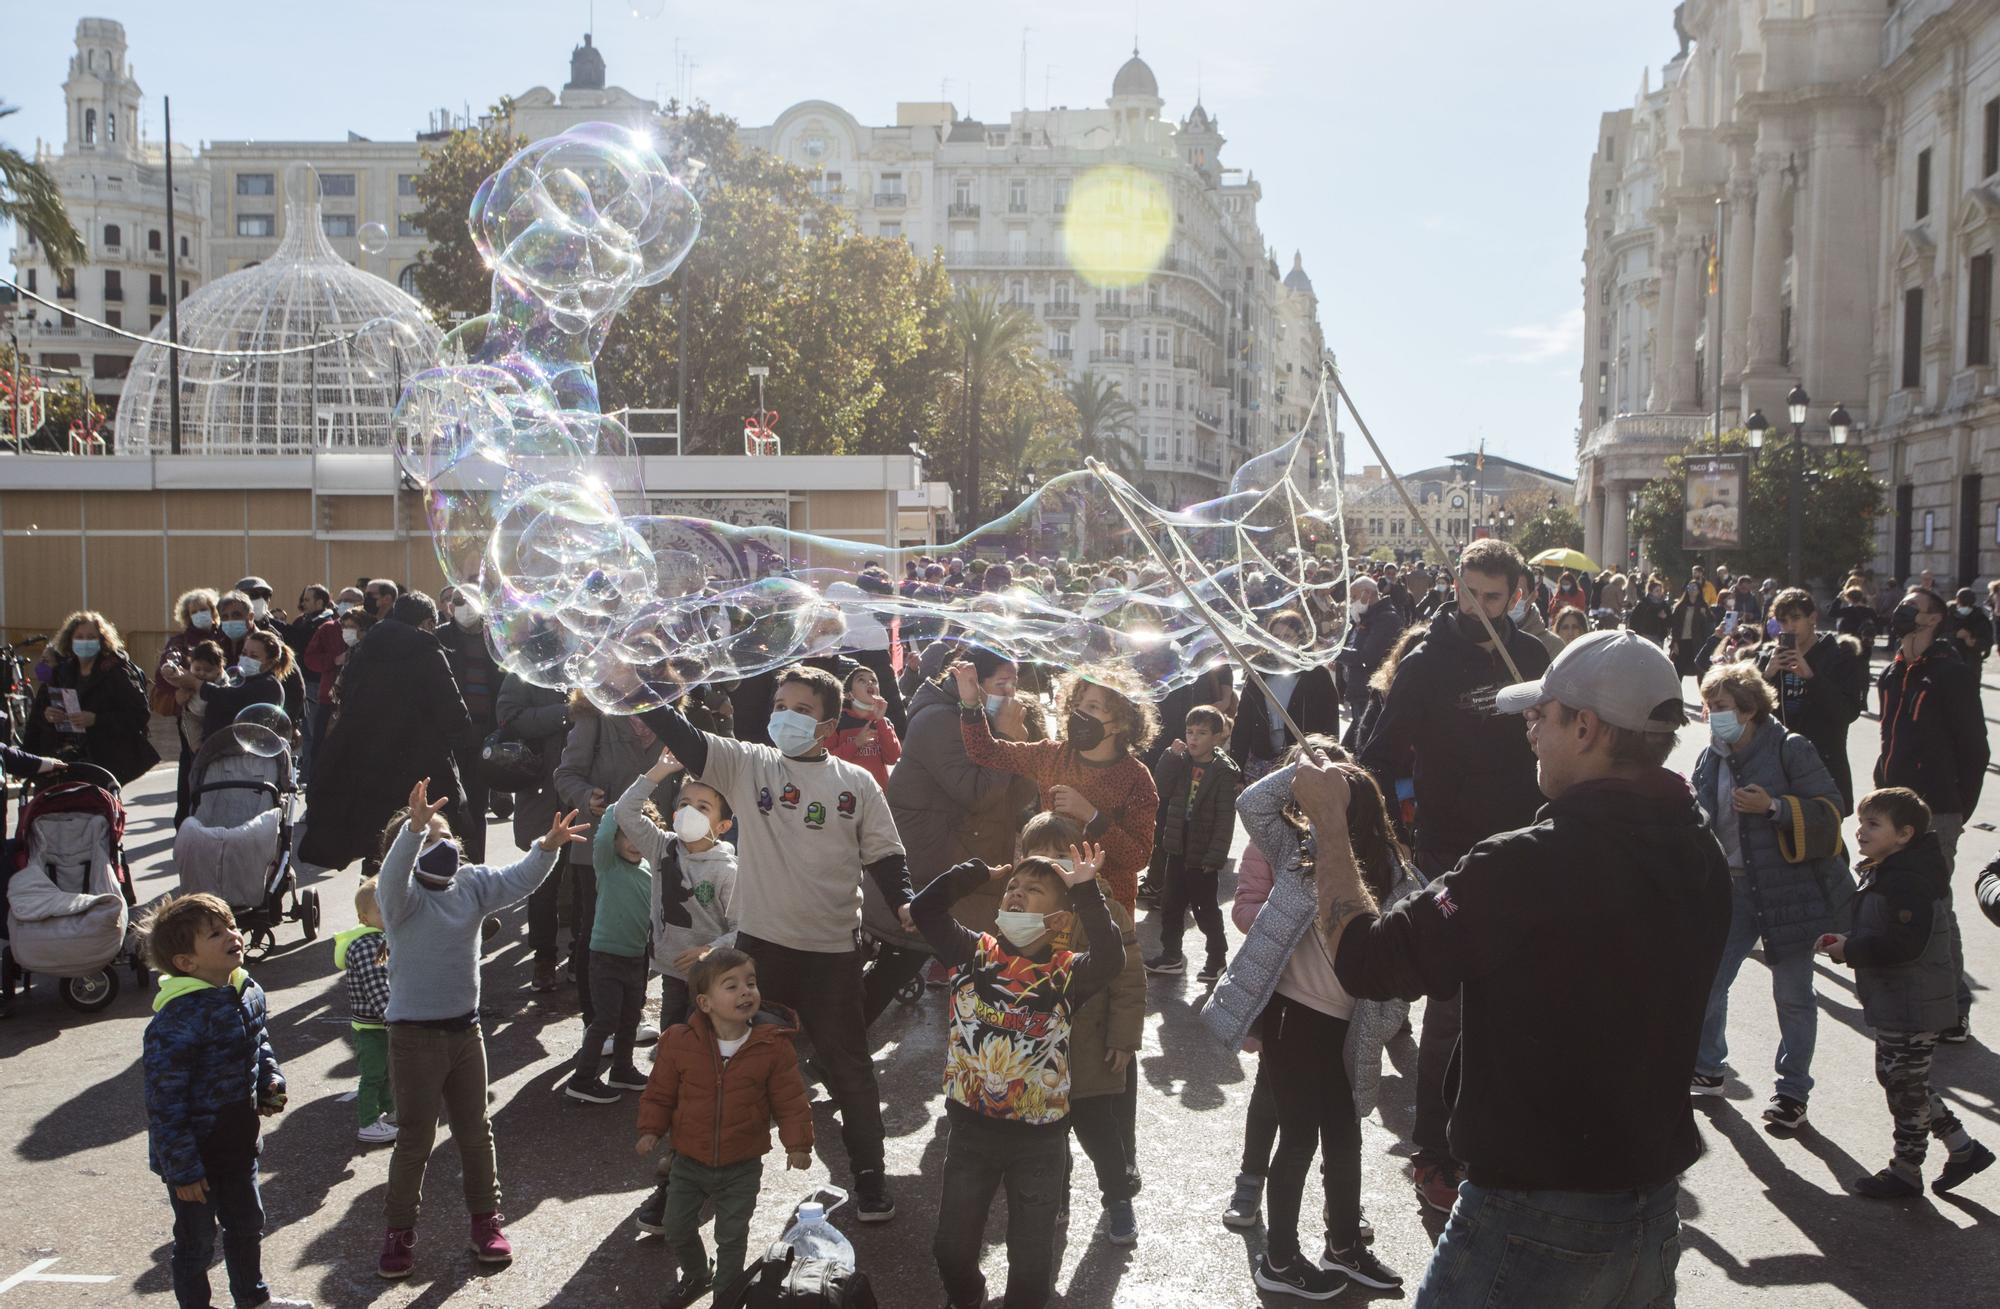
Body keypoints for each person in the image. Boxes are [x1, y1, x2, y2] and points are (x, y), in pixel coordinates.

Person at [1324, 631, 1729, 1306]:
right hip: (1648, 1210)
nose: (1529, 732)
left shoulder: (1523, 864)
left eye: (1541, 715)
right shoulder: (1698, 844)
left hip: (1532, 1216)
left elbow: (1368, 960)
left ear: (1588, 726)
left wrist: (1332, 829)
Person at [638, 665, 913, 1221]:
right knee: (725, 1069)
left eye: (802, 710)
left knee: (852, 1071)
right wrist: (637, 690)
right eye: (780, 705)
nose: (785, 716)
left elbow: (886, 854)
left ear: (828, 723)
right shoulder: (749, 763)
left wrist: (904, 901)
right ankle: (681, 1188)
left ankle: (869, 1178)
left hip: (834, 952)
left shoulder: (856, 784)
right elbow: (684, 735)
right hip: (759, 952)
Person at [1357, 538, 1550, 1212]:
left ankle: (1493, 1136)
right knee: (1449, 1013)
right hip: (1447, 850)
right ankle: (1433, 1150)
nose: (1478, 607)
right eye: (1469, 593)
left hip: (1525, 844)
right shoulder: (1427, 660)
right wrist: (1398, 822)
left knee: (1515, 1003)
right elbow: (1376, 751)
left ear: (1516, 593)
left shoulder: (1533, 657)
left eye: (1492, 597)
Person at [1202, 746, 1415, 1298]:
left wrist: (1386, 1025)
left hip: (1350, 1027)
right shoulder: (1301, 852)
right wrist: (1307, 769)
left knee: (1345, 1136)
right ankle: (1279, 1259)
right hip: (1291, 1018)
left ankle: (1344, 1247)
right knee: (1297, 1138)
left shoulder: (1396, 876)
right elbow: (1253, 803)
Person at [373, 779, 585, 1279]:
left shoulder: (469, 883)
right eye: (427, 836)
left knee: (476, 1132)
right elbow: (390, 878)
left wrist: (546, 848)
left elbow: (517, 880)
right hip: (413, 1037)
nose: (439, 842)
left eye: (443, 834)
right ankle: (399, 1232)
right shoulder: (400, 901)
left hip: (465, 1033)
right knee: (415, 1139)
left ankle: (485, 1223)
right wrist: (412, 830)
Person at [913, 843, 1123, 1309]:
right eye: (1013, 887)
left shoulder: (1066, 972)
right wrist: (977, 871)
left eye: (1034, 890)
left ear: (1060, 919)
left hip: (1040, 1140)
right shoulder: (973, 953)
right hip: (970, 1131)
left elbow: (1112, 961)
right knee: (951, 1250)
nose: (1016, 893)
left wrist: (1086, 892)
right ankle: (968, 1297)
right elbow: (924, 909)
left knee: (1030, 1269)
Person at [1688, 661, 1847, 1133]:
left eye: (1721, 707)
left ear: (1750, 709)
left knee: (1793, 995)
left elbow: (1831, 809)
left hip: (1788, 892)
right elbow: (1701, 819)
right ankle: (1710, 1067)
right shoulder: (1711, 755)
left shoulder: (1789, 748)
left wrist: (1774, 808)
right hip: (1732, 888)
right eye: (1708, 705)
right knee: (1711, 982)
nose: (1712, 715)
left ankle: (1792, 1091)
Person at [1818, 788, 1994, 1198]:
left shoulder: (1908, 880)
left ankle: (1906, 1171)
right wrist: (1848, 939)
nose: (1860, 831)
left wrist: (1851, 949)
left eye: (1873, 824)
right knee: (1900, 1079)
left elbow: (1905, 945)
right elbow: (1886, 932)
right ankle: (1963, 1148)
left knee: (1903, 1083)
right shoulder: (1892, 868)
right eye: (1861, 821)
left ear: (1904, 834)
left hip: (1914, 1002)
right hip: (1899, 998)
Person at [137, 893, 296, 1309]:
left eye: (231, 925)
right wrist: (184, 1169)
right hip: (194, 1157)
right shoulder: (177, 1019)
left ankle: (253, 1298)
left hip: (237, 1140)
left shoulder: (247, 991)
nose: (233, 935)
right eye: (216, 932)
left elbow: (259, 1041)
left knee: (246, 1224)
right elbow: (164, 1101)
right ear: (186, 963)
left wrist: (269, 1079)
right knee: (196, 1244)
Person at [636, 948, 814, 1309]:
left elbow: (791, 1100)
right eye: (730, 986)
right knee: (677, 1225)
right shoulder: (678, 1042)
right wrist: (651, 1128)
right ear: (705, 1002)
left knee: (732, 1237)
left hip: (742, 1163)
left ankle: (726, 1298)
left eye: (750, 983)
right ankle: (698, 1273)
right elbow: (660, 1092)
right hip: (688, 1159)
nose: (745, 992)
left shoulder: (772, 1046)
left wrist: (798, 1144)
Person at [873, 649, 1041, 1022]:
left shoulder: (984, 719)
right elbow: (977, 794)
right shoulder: (939, 720)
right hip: (933, 857)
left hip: (965, 853)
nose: (1011, 691)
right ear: (971, 682)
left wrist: (1018, 743)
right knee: (907, 954)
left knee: (928, 956)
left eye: (1014, 682)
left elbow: (1018, 796)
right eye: (1001, 683)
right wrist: (1005, 737)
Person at [1016, 812, 1145, 1245]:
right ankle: (1059, 1200)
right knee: (1049, 1141)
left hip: (1090, 1051)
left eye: (1062, 855)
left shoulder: (1104, 909)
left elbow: (1128, 981)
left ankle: (1118, 1199)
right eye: (1041, 855)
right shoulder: (1021, 910)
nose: (1052, 864)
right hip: (1040, 1056)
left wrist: (1124, 1039)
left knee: (1102, 1136)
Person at [1874, 586, 1989, 1042]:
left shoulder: (1950, 675)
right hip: (1891, 805)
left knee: (1936, 904)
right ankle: (1918, 995)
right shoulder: (1892, 673)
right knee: (1900, 900)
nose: (1903, 613)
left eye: (1913, 608)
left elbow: (1975, 750)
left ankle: (1954, 1006)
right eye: (1902, 604)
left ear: (1935, 619)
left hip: (1937, 810)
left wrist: (1957, 809)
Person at [953, 661, 1160, 913]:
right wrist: (971, 704)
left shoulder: (1136, 777)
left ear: (1119, 723)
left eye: (1092, 707)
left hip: (1105, 910)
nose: (1080, 714)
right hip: (1048, 902)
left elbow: (1137, 857)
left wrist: (1092, 816)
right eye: (1077, 705)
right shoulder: (1051, 755)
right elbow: (985, 751)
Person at [301, 592, 471, 872]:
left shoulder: (365, 650)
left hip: (367, 767)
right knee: (425, 850)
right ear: (429, 622)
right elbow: (455, 716)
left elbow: (343, 701)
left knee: (378, 850)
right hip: (421, 770)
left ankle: (372, 912)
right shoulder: (428, 651)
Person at [553, 690, 661, 1044]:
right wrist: (587, 797)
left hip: (653, 841)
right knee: (593, 932)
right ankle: (596, 1022)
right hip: (601, 845)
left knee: (640, 927)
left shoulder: (668, 709)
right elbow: (566, 774)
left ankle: (632, 1013)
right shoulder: (594, 713)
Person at [564, 778, 658, 1106]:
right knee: (605, 1020)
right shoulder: (607, 865)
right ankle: (583, 1079)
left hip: (636, 957)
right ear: (615, 838)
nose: (633, 842)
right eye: (625, 834)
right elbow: (604, 831)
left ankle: (622, 1069)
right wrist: (624, 804)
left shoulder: (650, 869)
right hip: (604, 957)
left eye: (639, 834)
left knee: (630, 1017)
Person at [1144, 705, 1243, 981]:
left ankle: (1217, 958)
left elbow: (1225, 818)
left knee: (1205, 908)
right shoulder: (1182, 760)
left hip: (1203, 852)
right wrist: (1168, 756)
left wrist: (1216, 856)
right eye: (1190, 732)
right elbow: (1161, 787)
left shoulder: (1223, 772)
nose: (1194, 739)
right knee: (1170, 903)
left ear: (1217, 737)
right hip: (1177, 844)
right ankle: (1171, 955)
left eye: (1202, 733)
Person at [495, 670, 574, 993]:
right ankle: (544, 956)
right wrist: (564, 714)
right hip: (543, 792)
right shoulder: (528, 667)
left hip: (584, 790)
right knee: (544, 882)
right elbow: (509, 717)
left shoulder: (593, 661)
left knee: (586, 880)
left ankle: (579, 957)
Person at [1756, 587, 1868, 811]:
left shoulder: (1839, 655)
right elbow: (1748, 713)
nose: (1789, 627)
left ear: (1812, 618)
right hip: (1778, 770)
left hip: (1823, 767)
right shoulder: (1769, 658)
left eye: (1796, 618)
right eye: (1783, 621)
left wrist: (1810, 676)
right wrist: (1766, 675)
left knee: (1823, 840)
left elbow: (1847, 712)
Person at [25, 610, 159, 786]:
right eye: (79, 637)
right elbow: (37, 717)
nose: (85, 642)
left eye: (91, 637)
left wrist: (96, 719)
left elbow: (139, 715)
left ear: (102, 640)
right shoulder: (60, 673)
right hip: (62, 760)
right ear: (70, 641)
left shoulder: (117, 673)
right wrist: (48, 715)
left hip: (104, 761)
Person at [1228, 610, 1339, 781]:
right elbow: (1242, 722)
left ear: (1301, 639)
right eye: (1276, 636)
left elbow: (1330, 724)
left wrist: (1328, 761)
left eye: (1287, 636)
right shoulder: (1258, 673)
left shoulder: (1317, 675)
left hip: (1301, 763)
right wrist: (1236, 767)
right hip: (1260, 762)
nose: (1280, 641)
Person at [436, 587, 501, 861]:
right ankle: (447, 862)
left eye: (467, 601)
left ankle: (475, 865)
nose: (462, 606)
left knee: (476, 803)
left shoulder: (495, 638)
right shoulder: (441, 636)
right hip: (450, 734)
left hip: (485, 732)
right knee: (448, 802)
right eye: (457, 601)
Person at [334, 877, 398, 1146]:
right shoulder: (368, 945)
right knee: (372, 1074)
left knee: (385, 1070)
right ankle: (368, 1122)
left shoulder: (380, 938)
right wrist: (393, 1018)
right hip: (372, 1025)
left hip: (377, 1023)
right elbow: (377, 989)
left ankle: (390, 1109)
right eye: (382, 910)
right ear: (364, 917)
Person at [153, 588, 223, 824]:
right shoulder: (179, 643)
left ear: (214, 612)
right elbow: (163, 678)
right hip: (191, 716)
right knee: (191, 767)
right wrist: (178, 692)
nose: (200, 615)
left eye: (204, 609)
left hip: (224, 714)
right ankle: (187, 821)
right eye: (194, 612)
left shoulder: (224, 637)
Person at [1334, 577, 1405, 746]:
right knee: (1354, 741)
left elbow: (1367, 656)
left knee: (1362, 741)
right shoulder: (1366, 616)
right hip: (1358, 689)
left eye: (1354, 596)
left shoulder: (1386, 618)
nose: (1351, 601)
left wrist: (1335, 653)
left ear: (1368, 593)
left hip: (1368, 690)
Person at [192, 629, 293, 745]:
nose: (246, 658)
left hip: (246, 756)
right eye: (244, 653)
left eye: (254, 656)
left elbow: (229, 697)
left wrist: (195, 683)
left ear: (269, 663)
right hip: (221, 750)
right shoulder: (239, 680)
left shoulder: (269, 685)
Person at [826, 664, 901, 790]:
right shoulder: (837, 722)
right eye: (862, 680)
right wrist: (856, 743)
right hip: (846, 796)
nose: (870, 683)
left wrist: (880, 721)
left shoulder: (883, 722)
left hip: (877, 794)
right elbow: (828, 763)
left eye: (874, 681)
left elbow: (893, 758)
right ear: (849, 695)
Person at [171, 642, 227, 756]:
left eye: (208, 670)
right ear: (190, 665)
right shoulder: (189, 679)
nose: (202, 673)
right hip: (192, 716)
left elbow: (225, 695)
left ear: (219, 669)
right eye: (197, 669)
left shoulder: (222, 681)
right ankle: (199, 752)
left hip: (213, 719)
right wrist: (184, 695)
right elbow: (179, 698)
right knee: (195, 739)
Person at [1670, 578, 1719, 680]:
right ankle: (1676, 694)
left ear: (1699, 591)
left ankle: (1703, 694)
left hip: (1697, 642)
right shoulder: (1680, 606)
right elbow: (1675, 626)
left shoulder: (1703, 606)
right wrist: (1674, 642)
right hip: (1682, 642)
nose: (1692, 590)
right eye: (1689, 587)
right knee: (1678, 671)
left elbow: (1710, 624)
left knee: (1700, 671)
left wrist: (1704, 615)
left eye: (1694, 587)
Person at [1949, 586, 1994, 662]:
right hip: (1952, 661)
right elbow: (1939, 636)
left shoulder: (1980, 618)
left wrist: (1973, 642)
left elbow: (1988, 642)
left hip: (1972, 661)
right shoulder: (1949, 616)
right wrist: (1955, 635)